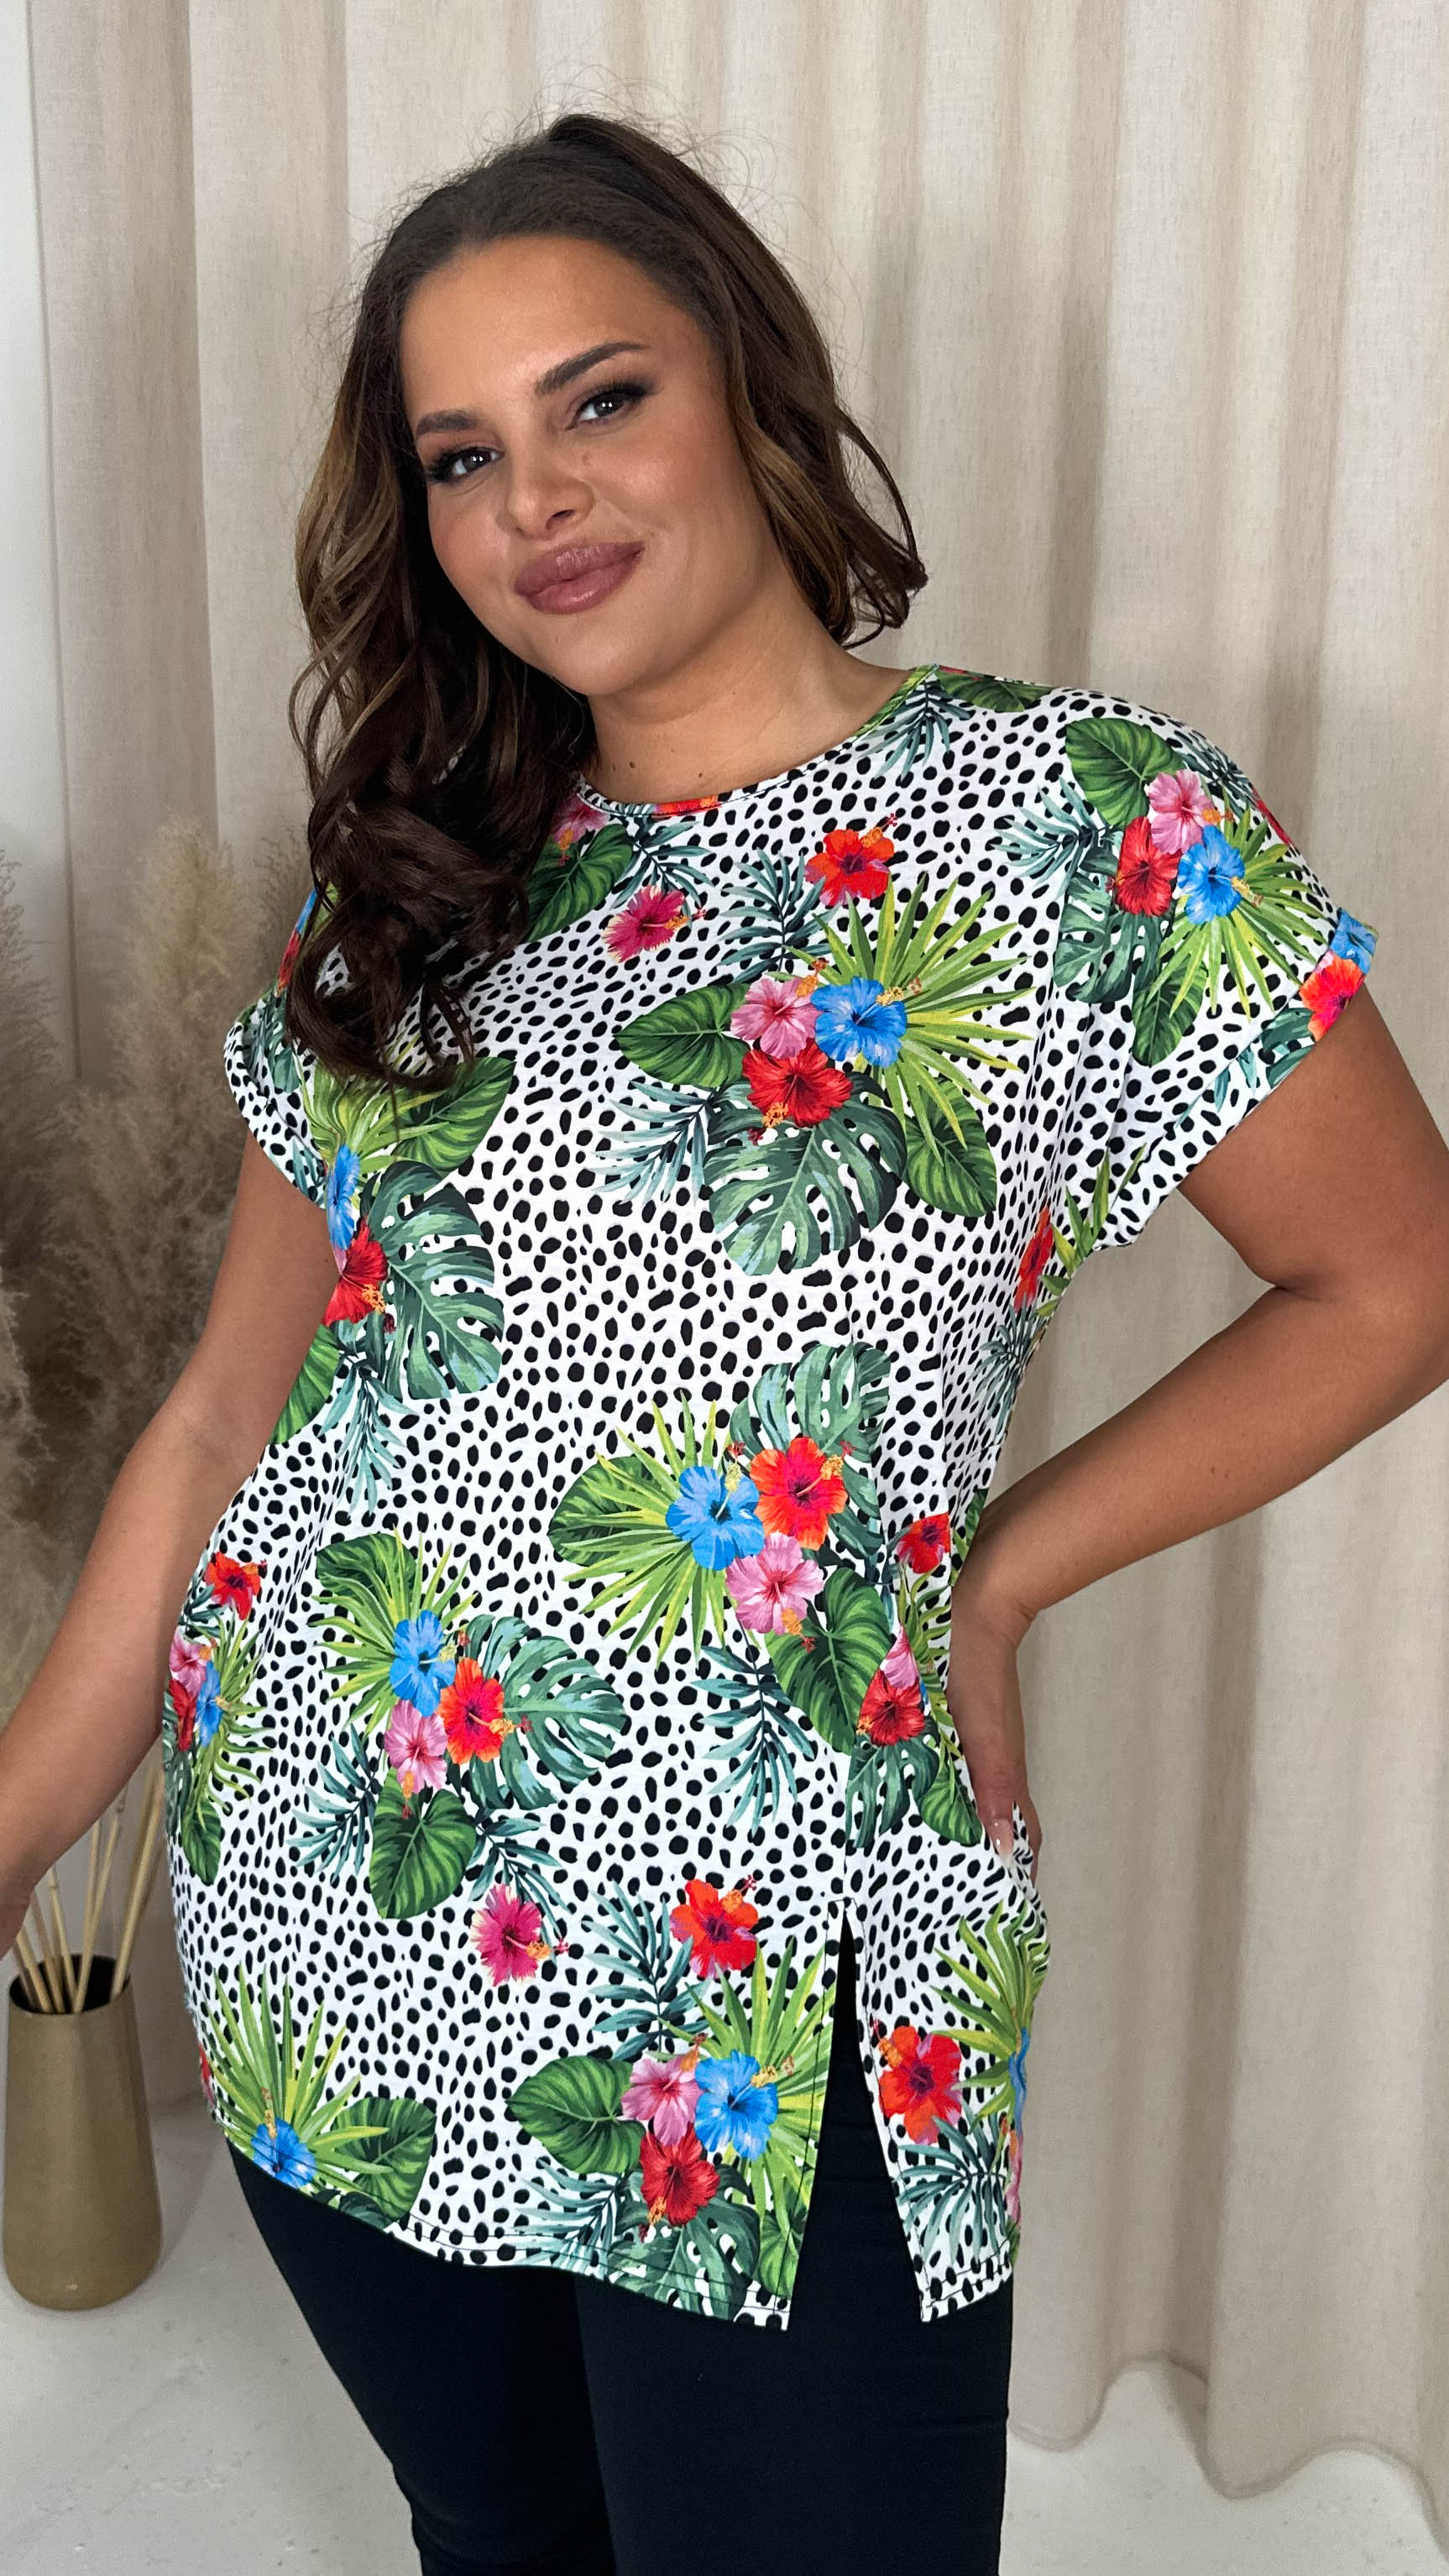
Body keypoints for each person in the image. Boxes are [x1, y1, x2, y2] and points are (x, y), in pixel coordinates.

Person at [4, 107, 1448, 2576]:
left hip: (769, 1990)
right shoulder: (416, 878)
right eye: (461, 453)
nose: (536, 497)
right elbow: (223, 1415)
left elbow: (1395, 1275)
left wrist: (995, 1576)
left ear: (755, 388)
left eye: (602, 398)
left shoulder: (1078, 819)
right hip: (337, 1908)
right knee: (502, 2534)